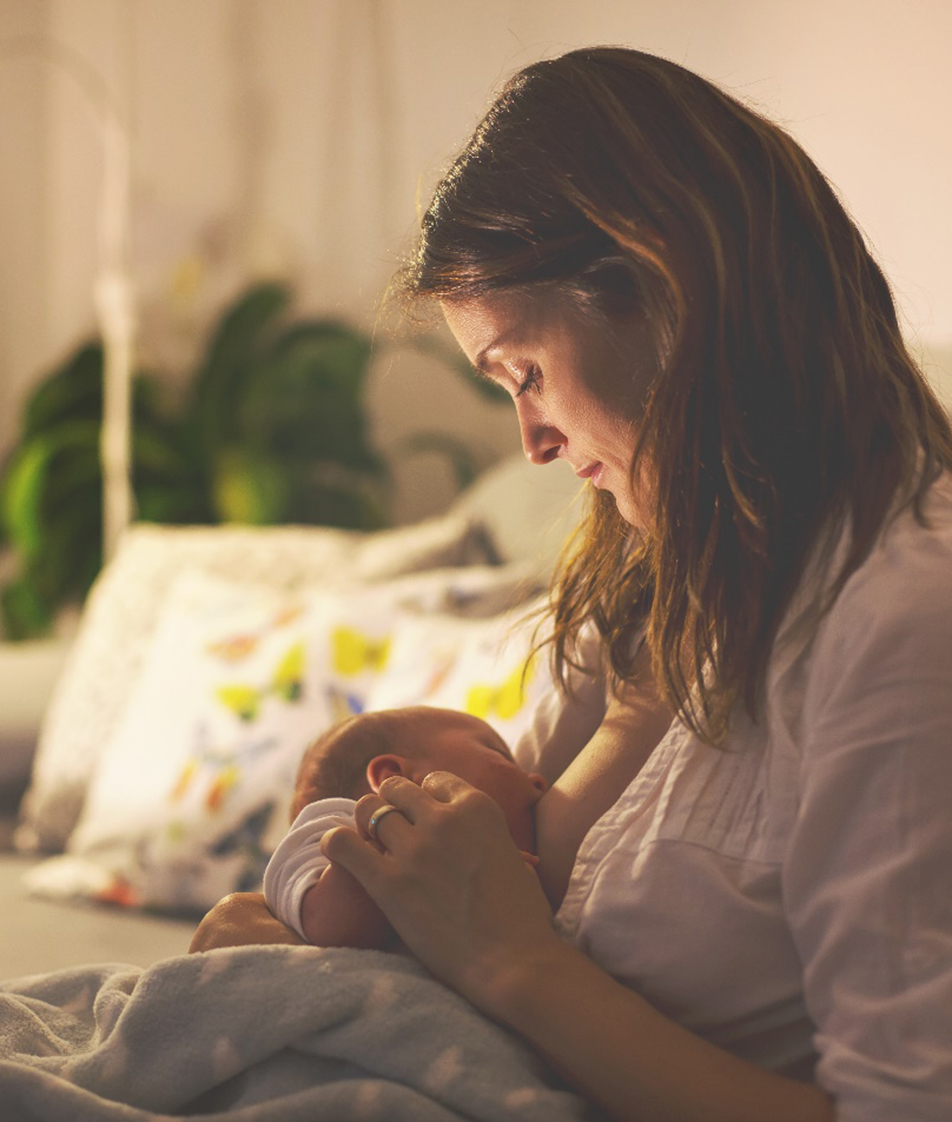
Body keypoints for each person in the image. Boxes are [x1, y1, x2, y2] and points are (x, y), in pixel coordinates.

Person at [191, 47, 952, 1122]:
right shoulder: (647, 574)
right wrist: (291, 943)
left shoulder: (904, 621)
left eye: (526, 373)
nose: (532, 441)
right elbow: (471, 890)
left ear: (661, 289)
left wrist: (516, 968)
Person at [261, 705, 547, 950]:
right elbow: (323, 920)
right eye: (498, 753)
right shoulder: (333, 826)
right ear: (394, 779)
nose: (537, 780)